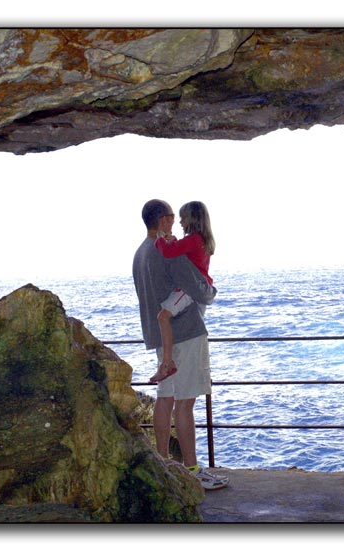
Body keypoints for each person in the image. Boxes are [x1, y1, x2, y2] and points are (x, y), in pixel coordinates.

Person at [132, 199, 229, 490]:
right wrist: (211, 292)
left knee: (165, 399)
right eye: (172, 219)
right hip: (186, 332)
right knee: (185, 404)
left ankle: (163, 464)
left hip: (163, 338)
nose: (175, 224)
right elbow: (198, 288)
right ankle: (192, 470)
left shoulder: (139, 253)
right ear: (162, 220)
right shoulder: (168, 252)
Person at [150, 201, 216, 384]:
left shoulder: (194, 239)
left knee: (163, 317)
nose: (180, 222)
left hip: (189, 289)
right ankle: (167, 362)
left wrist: (160, 239)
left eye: (183, 218)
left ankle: (167, 362)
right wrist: (172, 241)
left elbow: (169, 253)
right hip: (195, 287)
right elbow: (183, 251)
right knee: (164, 317)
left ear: (192, 219)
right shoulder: (200, 239)